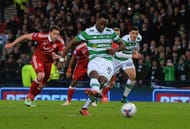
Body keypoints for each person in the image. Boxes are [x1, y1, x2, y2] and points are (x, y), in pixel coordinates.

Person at [60, 11, 125, 116]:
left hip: (107, 61)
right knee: (93, 74)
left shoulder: (110, 32)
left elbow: (123, 45)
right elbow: (71, 43)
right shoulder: (88, 32)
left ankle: (85, 107)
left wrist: (114, 50)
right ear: (96, 20)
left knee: (102, 81)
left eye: (105, 24)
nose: (103, 26)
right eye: (101, 23)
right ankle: (94, 90)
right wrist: (62, 59)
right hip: (94, 59)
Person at [5, 25, 66, 107]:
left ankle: (32, 98)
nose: (56, 36)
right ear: (50, 33)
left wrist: (58, 57)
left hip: (48, 63)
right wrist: (13, 44)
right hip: (38, 58)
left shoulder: (60, 41)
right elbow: (25, 36)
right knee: (41, 75)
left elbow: (64, 56)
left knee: (42, 85)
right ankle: (29, 96)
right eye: (54, 33)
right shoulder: (41, 36)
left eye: (58, 34)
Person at [102, 26, 143, 103]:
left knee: (133, 76)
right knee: (106, 80)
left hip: (127, 60)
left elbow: (133, 48)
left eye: (136, 33)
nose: (135, 35)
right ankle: (94, 94)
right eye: (133, 33)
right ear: (129, 33)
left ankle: (124, 97)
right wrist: (133, 55)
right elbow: (118, 53)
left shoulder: (138, 38)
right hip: (117, 60)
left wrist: (135, 52)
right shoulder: (123, 40)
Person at [62, 42, 97, 106]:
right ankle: (68, 101)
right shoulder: (79, 47)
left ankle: (93, 101)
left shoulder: (95, 44)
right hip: (81, 66)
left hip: (92, 65)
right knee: (74, 82)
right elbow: (73, 57)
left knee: (94, 81)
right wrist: (69, 69)